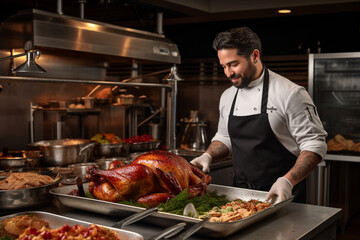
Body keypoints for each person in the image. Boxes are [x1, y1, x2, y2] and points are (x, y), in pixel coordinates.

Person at [190, 27, 327, 203]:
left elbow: (315, 145)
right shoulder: (228, 96)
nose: (228, 73)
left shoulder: (291, 94)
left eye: (233, 64)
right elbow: (225, 137)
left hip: (283, 196)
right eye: (224, 66)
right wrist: (208, 155)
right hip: (241, 198)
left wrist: (288, 180)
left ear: (255, 56)